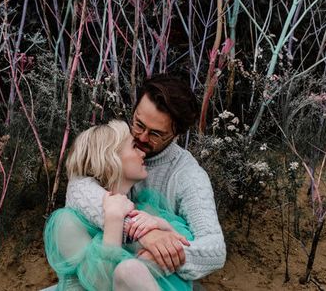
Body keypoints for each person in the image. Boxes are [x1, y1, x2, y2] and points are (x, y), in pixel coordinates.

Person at [64, 74, 226, 286]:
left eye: (156, 134)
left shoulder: (188, 176)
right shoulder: (118, 141)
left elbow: (215, 249)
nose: (141, 138)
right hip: (102, 273)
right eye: (139, 124)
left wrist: (162, 255)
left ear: (177, 133)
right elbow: (78, 186)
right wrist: (142, 235)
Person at [44, 120, 194, 290]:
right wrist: (114, 221)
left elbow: (186, 244)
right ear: (110, 158)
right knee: (129, 270)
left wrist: (162, 225)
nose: (142, 153)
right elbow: (101, 285)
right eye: (133, 146)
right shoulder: (68, 221)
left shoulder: (143, 207)